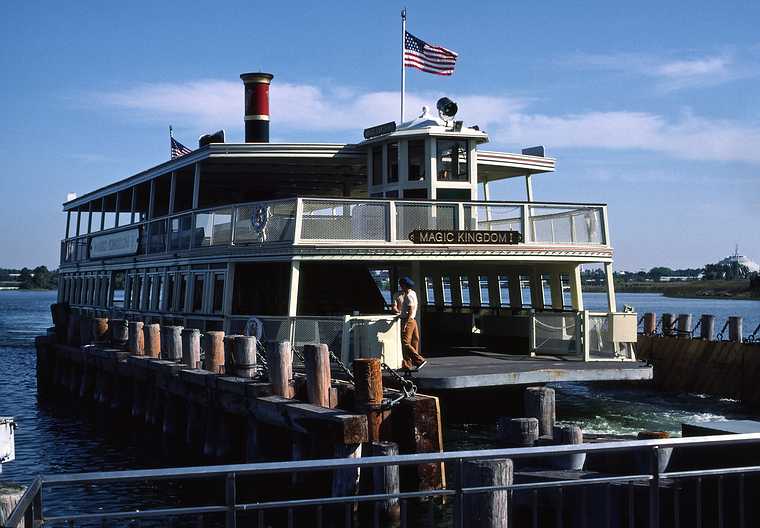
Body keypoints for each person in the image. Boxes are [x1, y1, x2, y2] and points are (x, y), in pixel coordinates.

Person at [393, 277, 426, 371]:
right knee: (415, 340)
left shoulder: (408, 296)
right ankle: (411, 363)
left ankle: (418, 360)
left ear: (404, 285)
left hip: (408, 320)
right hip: (413, 320)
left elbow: (410, 310)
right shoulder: (413, 293)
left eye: (401, 285)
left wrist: (405, 324)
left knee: (405, 342)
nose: (400, 286)